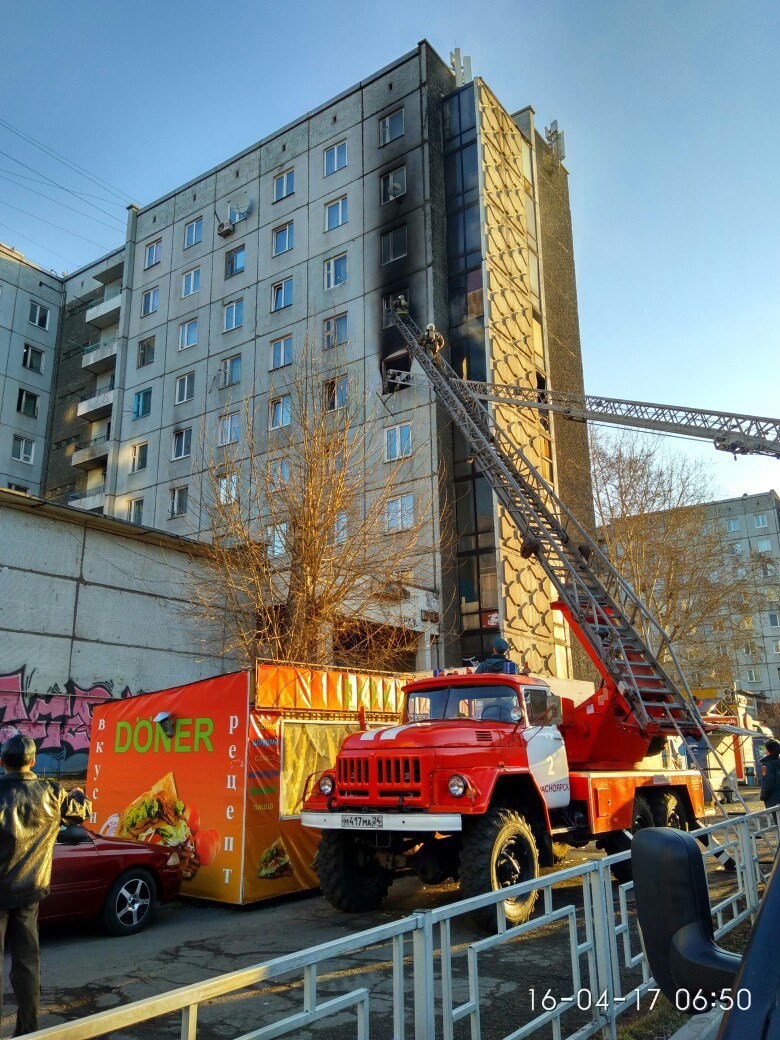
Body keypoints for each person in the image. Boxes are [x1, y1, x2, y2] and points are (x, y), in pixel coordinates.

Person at [0, 734, 89, 1036]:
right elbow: (81, 813)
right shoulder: (51, 793)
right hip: (29, 894)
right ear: (34, 761)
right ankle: (28, 1030)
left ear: (2, 762)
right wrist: (79, 795)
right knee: (27, 966)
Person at [759, 739, 780, 809]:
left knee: (776, 819)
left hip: (773, 801)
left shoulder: (766, 765)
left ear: (768, 751)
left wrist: (763, 796)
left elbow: (767, 783)